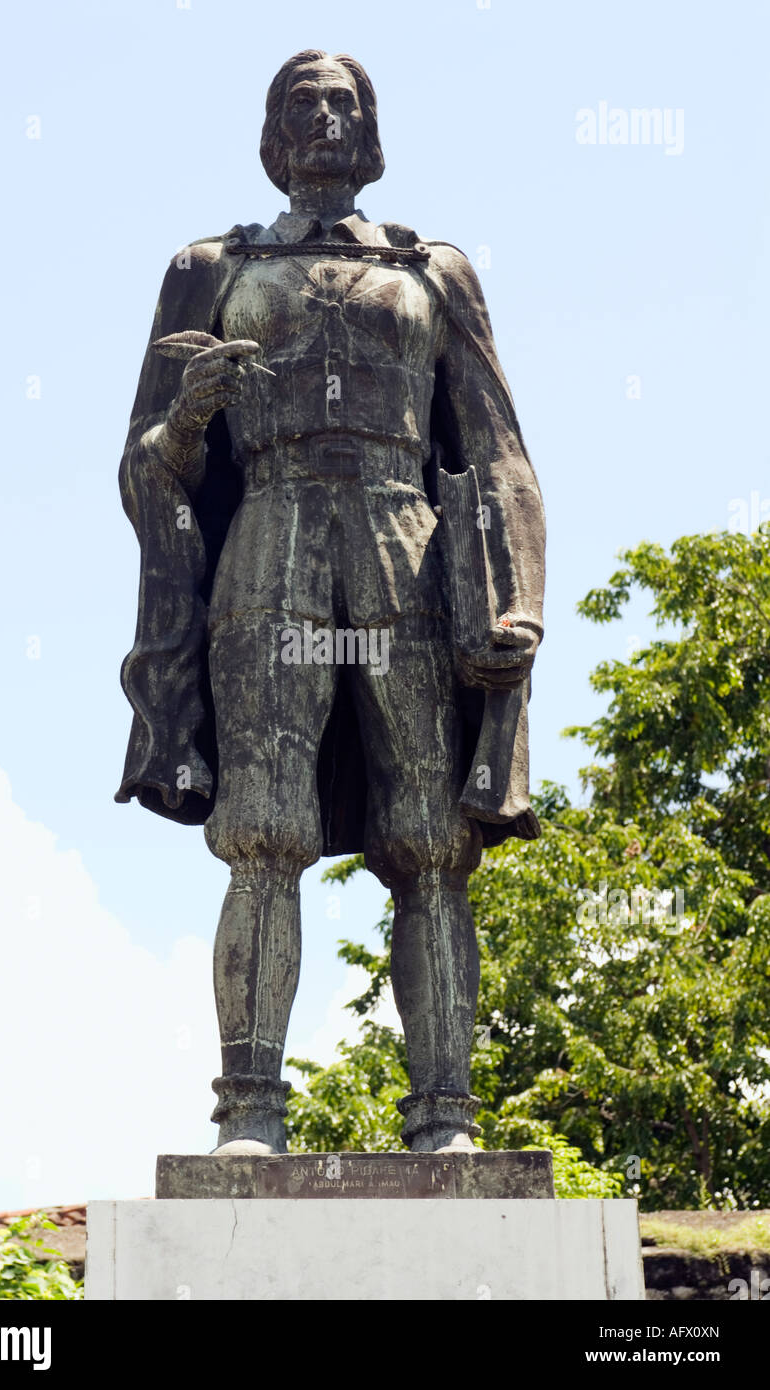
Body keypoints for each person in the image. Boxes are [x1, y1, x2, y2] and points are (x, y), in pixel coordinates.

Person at [116, 50, 545, 1154]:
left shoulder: (432, 269)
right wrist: (187, 421)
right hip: (272, 535)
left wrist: (519, 603)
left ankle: (446, 1119)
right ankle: (249, 1115)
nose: (323, 115)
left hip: (407, 538)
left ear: (370, 130)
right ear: (272, 132)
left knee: (434, 835)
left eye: (343, 100)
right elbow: (144, 463)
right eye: (300, 100)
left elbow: (497, 450)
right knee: (262, 825)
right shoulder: (210, 265)